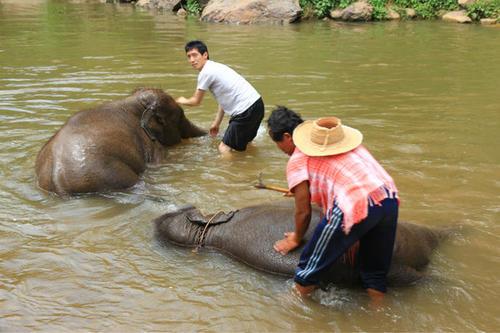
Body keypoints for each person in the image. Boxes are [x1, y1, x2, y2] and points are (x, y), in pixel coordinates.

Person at [267, 106, 399, 303]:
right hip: (388, 196)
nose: (280, 148)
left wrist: (296, 238)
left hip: (355, 203)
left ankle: (295, 302)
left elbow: (303, 212)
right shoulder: (351, 147)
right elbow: (344, 178)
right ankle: (379, 314)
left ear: (287, 137)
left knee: (309, 265)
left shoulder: (297, 160)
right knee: (374, 273)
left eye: (277, 142)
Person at [176, 40, 264, 155]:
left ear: (205, 55)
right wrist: (216, 123)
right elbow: (223, 99)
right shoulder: (216, 67)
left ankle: (232, 172)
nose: (192, 60)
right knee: (247, 143)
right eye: (189, 56)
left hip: (245, 111)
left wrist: (179, 100)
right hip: (257, 104)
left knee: (224, 148)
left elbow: (195, 101)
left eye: (195, 55)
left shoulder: (205, 72)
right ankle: (252, 165)